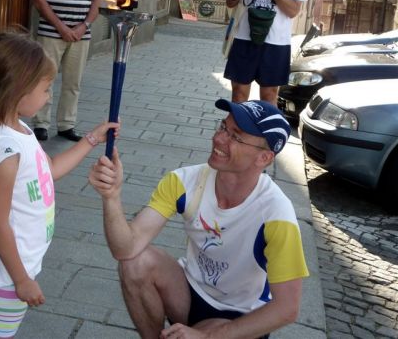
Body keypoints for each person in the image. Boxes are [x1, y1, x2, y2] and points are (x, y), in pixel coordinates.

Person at [89, 99, 308, 339]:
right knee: (134, 262)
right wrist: (111, 197)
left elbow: (287, 309)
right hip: (189, 292)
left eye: (235, 137)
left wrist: (208, 336)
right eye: (223, 127)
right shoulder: (183, 181)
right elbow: (125, 248)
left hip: (241, 315)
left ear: (264, 158)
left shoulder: (276, 214)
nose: (219, 138)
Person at [0, 31, 118, 338]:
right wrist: (21, 279)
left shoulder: (18, 129)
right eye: (46, 88)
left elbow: (48, 169)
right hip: (12, 268)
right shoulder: (5, 149)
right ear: (19, 90)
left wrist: (91, 139)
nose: (50, 95)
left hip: (21, 261)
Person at [29, 0, 106, 142]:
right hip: (52, 34)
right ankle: (41, 123)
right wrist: (61, 27)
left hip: (81, 35)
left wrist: (84, 26)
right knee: (45, 79)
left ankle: (66, 124)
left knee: (74, 82)